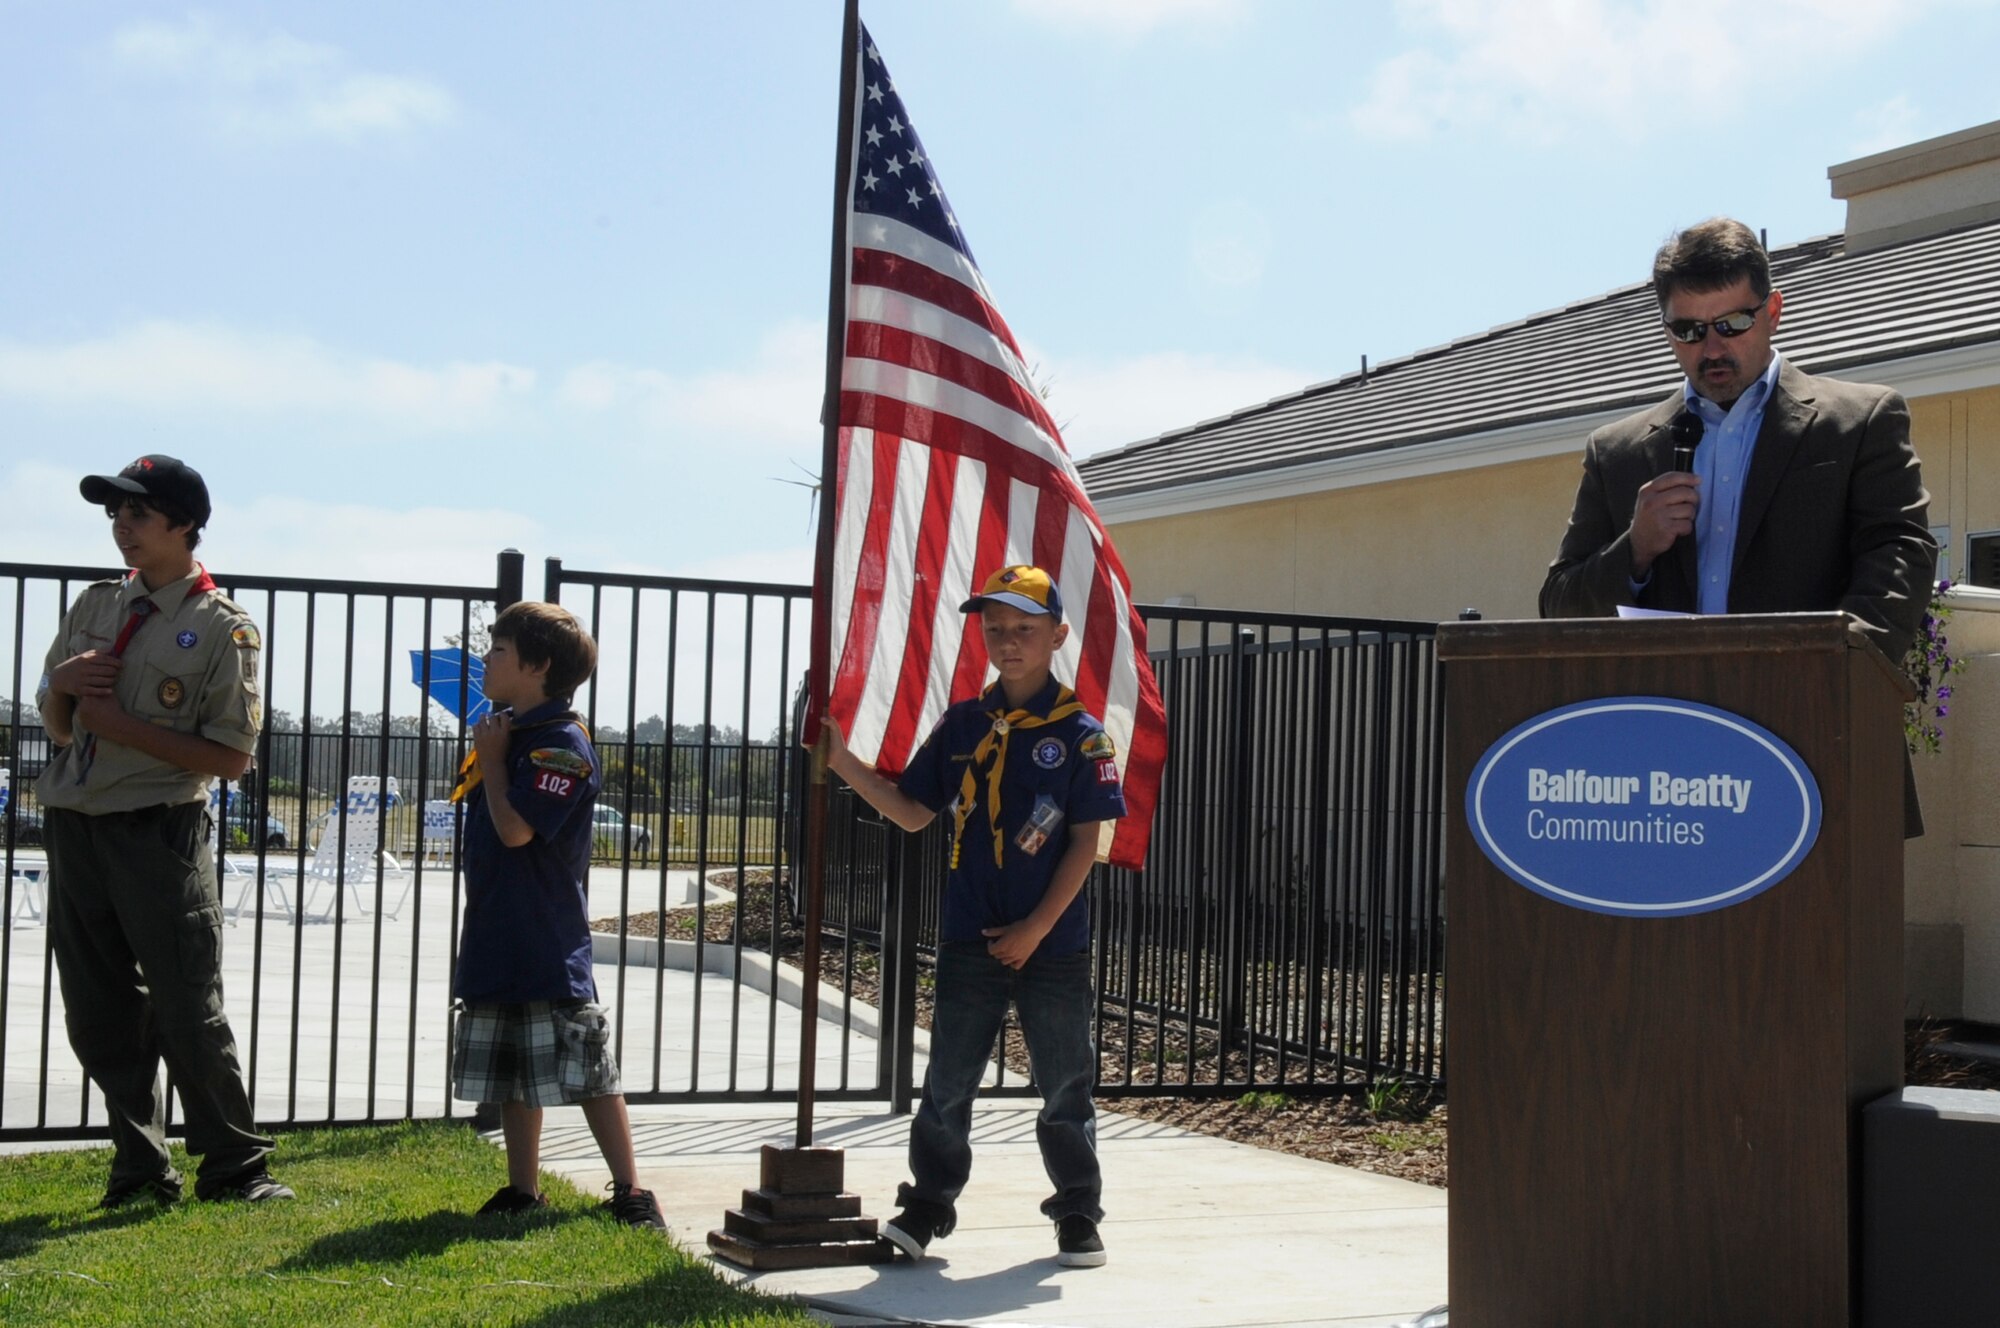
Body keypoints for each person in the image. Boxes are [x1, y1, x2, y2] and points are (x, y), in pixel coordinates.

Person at [823, 565, 1127, 1269]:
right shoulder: (964, 725)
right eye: (995, 629)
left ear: (1057, 635)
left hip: (1051, 944)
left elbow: (1087, 842)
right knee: (949, 1080)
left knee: (1064, 1084)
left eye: (1024, 629)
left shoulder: (1081, 736)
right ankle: (928, 1205)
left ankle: (1077, 1210)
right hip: (968, 938)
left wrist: (1036, 929)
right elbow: (910, 810)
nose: (1009, 641)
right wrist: (841, 762)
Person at [35, 455, 290, 1206]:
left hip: (158, 830)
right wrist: (63, 691)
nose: (122, 527)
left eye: (138, 514)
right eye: (114, 514)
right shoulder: (95, 607)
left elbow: (232, 757)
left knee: (185, 1001)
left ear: (184, 525)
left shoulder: (222, 628)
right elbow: (59, 727)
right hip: (76, 824)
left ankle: (236, 1167)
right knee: (97, 1009)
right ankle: (141, 1169)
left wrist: (119, 723)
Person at [1540, 216, 1937, 661]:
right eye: (1689, 330)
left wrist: (1831, 666)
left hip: (1808, 710)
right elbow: (1558, 604)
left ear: (1772, 313)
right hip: (1661, 715)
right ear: (1667, 331)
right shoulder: (1616, 453)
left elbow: (1902, 559)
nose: (1712, 348)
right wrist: (1634, 549)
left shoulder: (1861, 422)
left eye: (1731, 323)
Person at [448, 600, 664, 1228]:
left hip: (546, 941)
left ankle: (630, 1192)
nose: (486, 659)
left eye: (498, 650)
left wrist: (492, 761)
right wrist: (494, 750)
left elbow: (517, 831)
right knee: (513, 1067)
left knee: (589, 1067)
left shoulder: (561, 746)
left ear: (538, 666)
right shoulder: (513, 730)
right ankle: (522, 1188)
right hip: (497, 932)